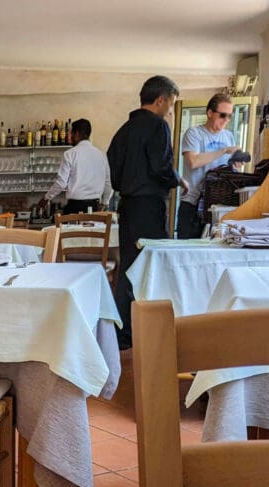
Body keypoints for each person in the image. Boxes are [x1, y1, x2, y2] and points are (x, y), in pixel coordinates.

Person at [107, 75, 188, 349]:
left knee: (129, 266)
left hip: (127, 206)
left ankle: (122, 331)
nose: (170, 111)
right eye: (171, 104)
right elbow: (160, 167)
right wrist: (177, 179)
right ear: (161, 99)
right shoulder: (158, 127)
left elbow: (114, 174)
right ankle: (150, 330)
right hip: (150, 206)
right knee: (154, 265)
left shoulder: (123, 130)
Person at [177, 93, 239, 239]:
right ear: (210, 113)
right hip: (193, 203)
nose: (226, 120)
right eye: (222, 115)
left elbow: (229, 170)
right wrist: (223, 150)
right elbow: (193, 161)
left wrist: (236, 163)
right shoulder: (194, 133)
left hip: (218, 205)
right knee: (187, 251)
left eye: (229, 116)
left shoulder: (228, 136)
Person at [38, 118, 112, 214]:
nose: (70, 137)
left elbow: (61, 183)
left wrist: (46, 198)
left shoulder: (70, 154)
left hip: (75, 208)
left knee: (71, 229)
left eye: (71, 134)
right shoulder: (101, 155)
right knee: (94, 230)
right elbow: (108, 182)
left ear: (76, 134)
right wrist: (104, 203)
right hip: (95, 207)